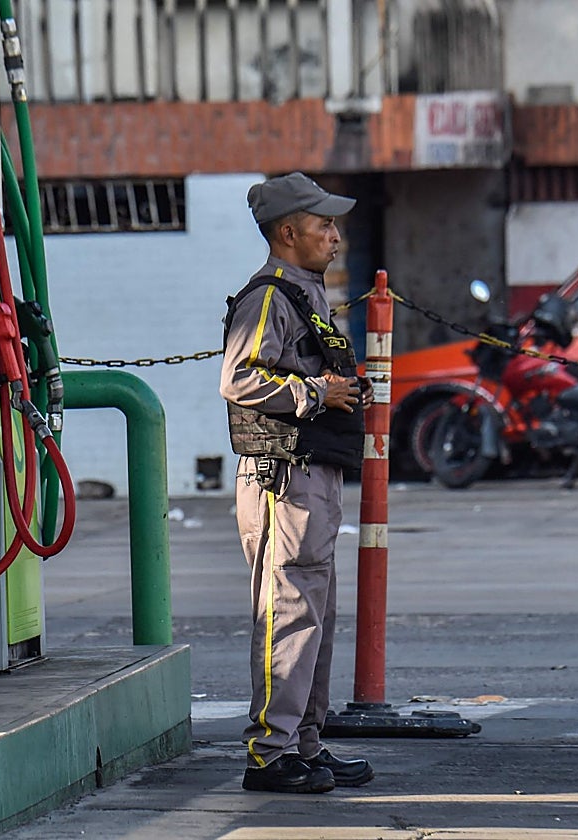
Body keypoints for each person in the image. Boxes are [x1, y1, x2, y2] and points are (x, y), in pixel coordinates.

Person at [219, 172, 376, 794]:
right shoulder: (269, 297)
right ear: (288, 233)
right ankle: (270, 752)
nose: (334, 238)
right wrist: (318, 392)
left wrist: (339, 388)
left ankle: (304, 743)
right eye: (323, 227)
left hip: (311, 474)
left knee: (315, 613)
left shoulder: (305, 294)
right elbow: (238, 379)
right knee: (286, 611)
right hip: (283, 478)